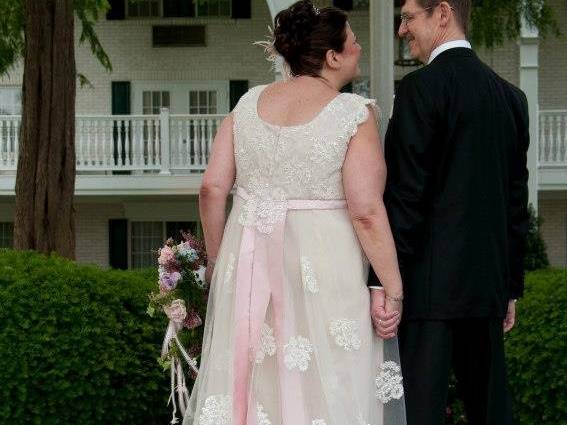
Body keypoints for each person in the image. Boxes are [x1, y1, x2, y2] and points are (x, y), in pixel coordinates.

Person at [184, 2, 407, 424]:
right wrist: (392, 287)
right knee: (329, 379)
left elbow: (212, 189)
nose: (359, 49)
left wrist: (217, 262)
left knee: (257, 379)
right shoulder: (353, 114)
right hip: (326, 269)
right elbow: (366, 210)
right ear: (332, 57)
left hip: (249, 267)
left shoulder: (247, 104)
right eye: (354, 43)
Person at [368, 1, 530, 424]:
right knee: (491, 411)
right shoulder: (511, 98)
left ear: (442, 13)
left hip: (427, 292)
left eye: (407, 17)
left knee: (417, 413)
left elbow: (405, 197)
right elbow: (516, 203)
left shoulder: (420, 90)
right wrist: (510, 286)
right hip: (488, 290)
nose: (402, 30)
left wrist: (382, 281)